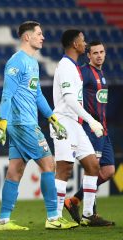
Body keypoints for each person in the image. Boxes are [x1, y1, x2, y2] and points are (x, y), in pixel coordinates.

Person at [0, 21, 76, 231]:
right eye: (39, 33)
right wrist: (1, 123)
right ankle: (53, 217)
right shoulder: (16, 62)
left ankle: (3, 220)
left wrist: (52, 118)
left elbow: (37, 94)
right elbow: (6, 94)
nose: (43, 37)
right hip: (22, 123)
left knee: (15, 171)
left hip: (24, 122)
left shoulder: (33, 63)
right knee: (49, 165)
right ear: (27, 37)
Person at [52, 30, 111, 227]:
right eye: (82, 40)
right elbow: (69, 99)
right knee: (64, 168)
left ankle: (87, 215)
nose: (84, 43)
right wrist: (91, 121)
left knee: (93, 166)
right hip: (63, 121)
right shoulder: (66, 66)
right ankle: (54, 217)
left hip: (76, 123)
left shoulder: (74, 66)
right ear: (75, 43)